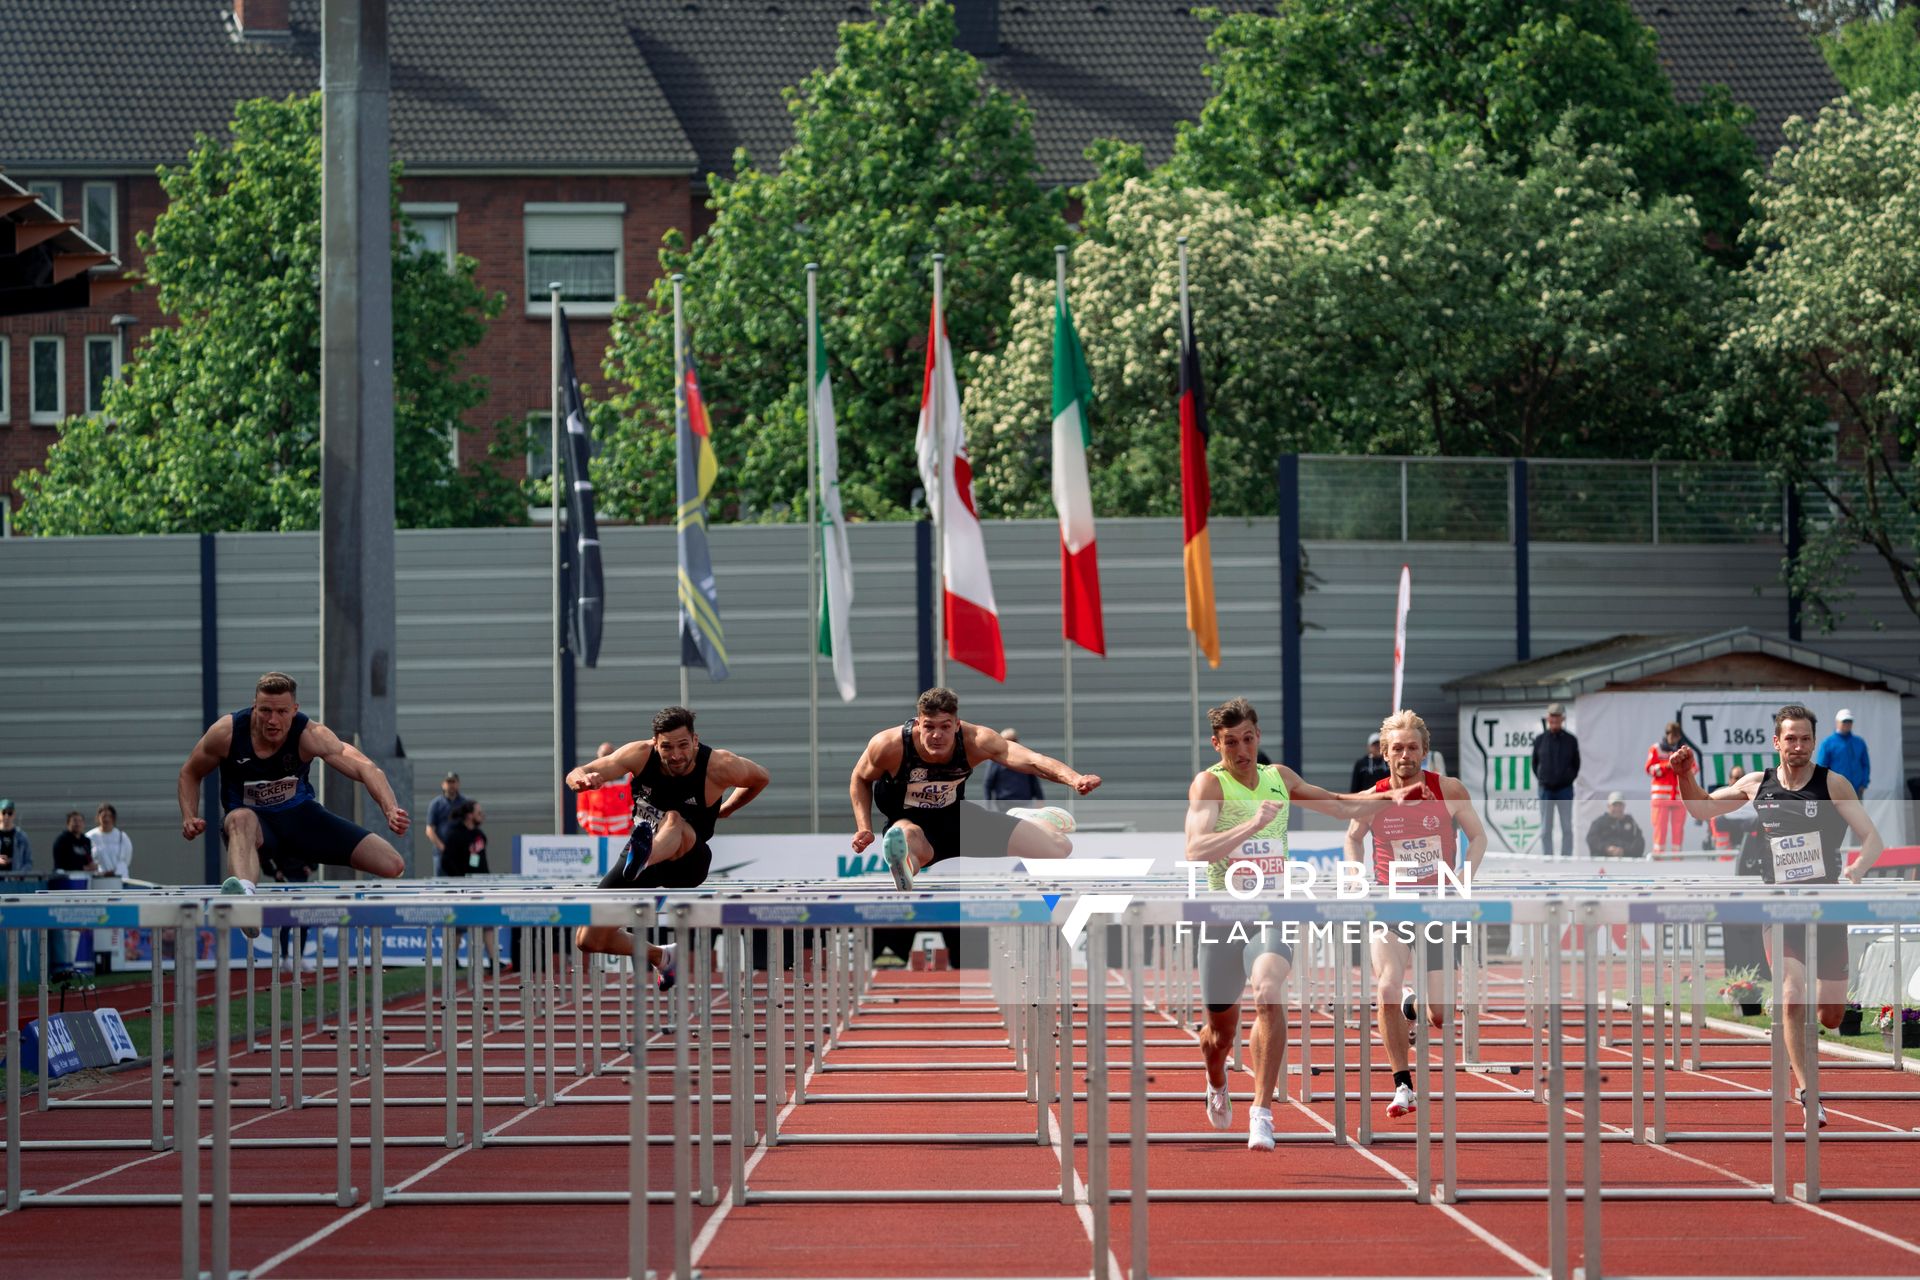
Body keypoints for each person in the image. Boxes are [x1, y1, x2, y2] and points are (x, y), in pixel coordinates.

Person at [1188, 698, 1411, 1150]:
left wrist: (1388, 795)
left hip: (1273, 912)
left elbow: (1339, 806)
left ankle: (1262, 1111)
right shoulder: (1209, 785)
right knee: (1219, 1037)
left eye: (1248, 739)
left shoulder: (1279, 779)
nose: (1241, 750)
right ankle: (1216, 1079)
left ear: (1258, 738)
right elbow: (1196, 850)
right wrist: (1251, 824)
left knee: (1269, 991)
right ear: (1217, 745)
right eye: (1231, 742)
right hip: (1222, 918)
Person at [1670, 704, 1885, 1127]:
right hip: (1780, 908)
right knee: (1790, 996)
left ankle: (1802, 1053)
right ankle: (1809, 1092)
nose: (1798, 746)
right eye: (1791, 738)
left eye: (1805, 738)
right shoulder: (1756, 785)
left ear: (1813, 742)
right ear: (1777, 742)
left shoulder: (1834, 785)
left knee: (1830, 1015)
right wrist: (1684, 775)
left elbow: (1872, 838)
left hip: (1828, 908)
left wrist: (1858, 869)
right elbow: (1700, 809)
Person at [177, 671, 409, 935]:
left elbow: (366, 767)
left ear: (294, 710)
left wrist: (390, 808)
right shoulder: (227, 733)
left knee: (392, 864)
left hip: (301, 819)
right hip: (255, 829)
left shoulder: (309, 734)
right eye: (265, 711)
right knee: (240, 818)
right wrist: (189, 815)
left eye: (282, 712)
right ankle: (246, 903)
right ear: (254, 706)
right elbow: (189, 773)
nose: (272, 720)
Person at [1343, 709, 1487, 1121]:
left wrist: (1464, 875)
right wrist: (1355, 876)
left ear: (1424, 751)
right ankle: (1402, 1084)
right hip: (1391, 908)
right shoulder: (1375, 797)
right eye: (1397, 749)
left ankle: (1412, 1010)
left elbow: (1478, 837)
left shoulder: (1449, 789)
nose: (1405, 755)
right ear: (1385, 754)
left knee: (1440, 1016)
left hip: (1438, 908)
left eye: (1412, 748)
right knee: (1386, 987)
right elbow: (1353, 840)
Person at [568, 706, 771, 985]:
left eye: (683, 746)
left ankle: (645, 856)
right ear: (655, 743)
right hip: (637, 860)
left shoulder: (719, 765)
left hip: (687, 860)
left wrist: (727, 808)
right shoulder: (638, 755)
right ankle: (661, 956)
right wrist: (580, 780)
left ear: (695, 741)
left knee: (673, 819)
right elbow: (582, 770)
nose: (676, 755)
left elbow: (761, 777)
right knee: (588, 939)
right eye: (667, 747)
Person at [850, 687, 1098, 890]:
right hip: (909, 823)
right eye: (929, 727)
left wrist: (1074, 778)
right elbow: (860, 778)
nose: (937, 735)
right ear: (918, 724)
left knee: (1059, 848)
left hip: (959, 821)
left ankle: (1027, 819)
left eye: (945, 726)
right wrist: (865, 828)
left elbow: (1032, 761)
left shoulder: (976, 740)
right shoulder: (889, 746)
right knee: (904, 844)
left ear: (957, 725)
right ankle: (905, 865)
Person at [440, 801, 501, 970]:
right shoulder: (454, 834)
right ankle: (451, 961)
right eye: (478, 812)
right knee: (458, 925)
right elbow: (446, 861)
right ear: (469, 815)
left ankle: (494, 962)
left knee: (487, 923)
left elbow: (481, 861)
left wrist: (488, 881)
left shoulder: (479, 834)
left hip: (481, 886)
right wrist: (461, 879)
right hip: (461, 887)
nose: (482, 815)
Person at [1532, 703, 1580, 857]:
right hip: (1546, 790)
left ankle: (1566, 858)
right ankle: (1548, 858)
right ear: (1548, 718)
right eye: (1552, 716)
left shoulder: (1571, 740)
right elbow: (1534, 764)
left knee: (1566, 827)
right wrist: (1543, 779)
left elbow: (1576, 764)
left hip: (1564, 790)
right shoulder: (1540, 740)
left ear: (1563, 718)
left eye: (1557, 716)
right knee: (1546, 828)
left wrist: (1566, 778)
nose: (1554, 719)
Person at [1645, 721, 1688, 855]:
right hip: (1661, 797)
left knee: (1678, 829)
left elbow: (1693, 769)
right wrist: (1667, 765)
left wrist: (1680, 767)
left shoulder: (1683, 750)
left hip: (1679, 796)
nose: (1674, 739)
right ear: (1667, 734)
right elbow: (1650, 769)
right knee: (1660, 829)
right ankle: (1659, 859)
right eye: (1672, 735)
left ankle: (1677, 859)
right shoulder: (1656, 749)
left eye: (1676, 736)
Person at [576, 742, 635, 837]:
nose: (606, 758)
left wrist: (628, 824)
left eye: (609, 755)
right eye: (604, 755)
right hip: (595, 834)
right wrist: (589, 826)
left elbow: (634, 804)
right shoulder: (588, 779)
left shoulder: (626, 778)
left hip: (620, 834)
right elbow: (582, 808)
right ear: (598, 757)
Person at [981, 728, 1046, 812]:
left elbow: (1033, 780)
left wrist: (1040, 799)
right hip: (1004, 805)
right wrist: (988, 805)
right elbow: (988, 784)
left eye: (1013, 741)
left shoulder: (1025, 758)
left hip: (1025, 804)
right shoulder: (995, 761)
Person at [1815, 709, 1870, 797]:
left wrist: (1864, 783)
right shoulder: (1828, 743)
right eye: (1844, 721)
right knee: (1834, 811)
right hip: (1836, 790)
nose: (1847, 724)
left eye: (1850, 721)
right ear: (1837, 722)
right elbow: (1822, 767)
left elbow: (1865, 764)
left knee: (1855, 811)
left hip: (1856, 789)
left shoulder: (1859, 742)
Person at [1584, 791, 1645, 859]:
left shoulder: (1631, 823)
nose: (1617, 809)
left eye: (1620, 805)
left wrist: (1624, 851)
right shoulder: (1599, 822)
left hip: (1627, 863)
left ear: (1624, 806)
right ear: (1608, 806)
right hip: (1603, 863)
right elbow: (1591, 840)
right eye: (1614, 805)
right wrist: (1607, 848)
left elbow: (1639, 843)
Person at [427, 772, 465, 876]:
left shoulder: (465, 804)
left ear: (458, 784)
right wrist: (443, 847)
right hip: (441, 853)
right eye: (448, 782)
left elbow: (470, 827)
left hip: (460, 854)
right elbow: (430, 830)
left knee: (462, 884)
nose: (451, 785)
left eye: (453, 782)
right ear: (443, 784)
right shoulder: (436, 804)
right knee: (441, 885)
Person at [86, 803, 132, 878]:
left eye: (109, 816)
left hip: (120, 879)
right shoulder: (90, 836)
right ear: (98, 817)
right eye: (104, 816)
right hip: (99, 880)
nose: (106, 819)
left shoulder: (122, 837)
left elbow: (127, 858)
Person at [0, 799, 34, 872]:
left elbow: (28, 862)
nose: (6, 816)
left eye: (10, 813)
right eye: (3, 813)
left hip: (15, 880)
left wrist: (20, 874)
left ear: (14, 814)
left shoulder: (21, 836)